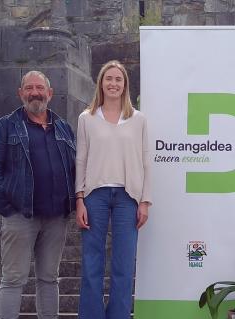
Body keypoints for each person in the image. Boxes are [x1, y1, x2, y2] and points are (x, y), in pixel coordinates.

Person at [0, 71, 76, 319]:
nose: (35, 92)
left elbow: (75, 166)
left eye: (40, 88)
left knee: (49, 278)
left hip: (56, 217)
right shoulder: (4, 126)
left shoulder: (64, 128)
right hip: (20, 215)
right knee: (13, 279)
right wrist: (6, 206)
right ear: (20, 93)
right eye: (29, 88)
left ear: (50, 93)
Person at [75, 60, 151, 318]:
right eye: (109, 78)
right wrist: (79, 199)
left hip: (128, 197)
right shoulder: (87, 118)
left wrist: (145, 201)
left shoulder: (138, 120)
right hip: (94, 194)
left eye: (118, 79)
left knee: (124, 264)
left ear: (125, 85)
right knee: (92, 263)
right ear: (101, 83)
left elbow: (145, 161)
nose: (113, 84)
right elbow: (81, 160)